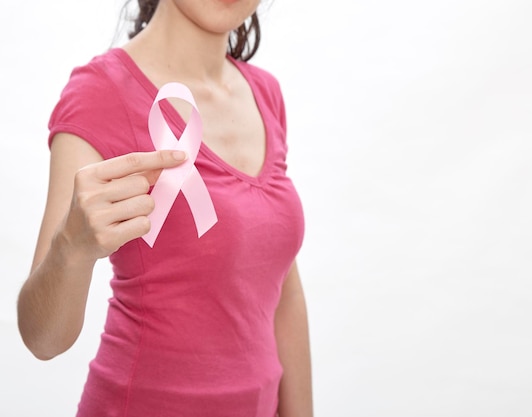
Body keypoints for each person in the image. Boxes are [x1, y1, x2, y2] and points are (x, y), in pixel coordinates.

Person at [16, 0, 313, 416]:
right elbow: (42, 339)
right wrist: (72, 248)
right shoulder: (100, 93)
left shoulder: (265, 94)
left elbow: (284, 293)